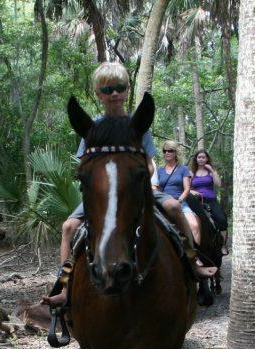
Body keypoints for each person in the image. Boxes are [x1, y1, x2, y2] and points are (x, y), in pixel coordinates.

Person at [42, 62, 216, 307]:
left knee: (176, 209)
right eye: (108, 89)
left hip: (135, 188)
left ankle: (193, 263)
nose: (114, 93)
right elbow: (87, 164)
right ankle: (65, 286)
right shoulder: (93, 127)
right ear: (98, 94)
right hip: (103, 192)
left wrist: (135, 176)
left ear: (127, 89)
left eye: (119, 87)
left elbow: (149, 163)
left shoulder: (137, 125)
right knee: (69, 227)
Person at [188, 149, 229, 253]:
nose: (201, 159)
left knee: (222, 220)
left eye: (203, 157)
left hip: (211, 200)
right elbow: (187, 187)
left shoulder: (211, 171)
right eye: (199, 157)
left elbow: (218, 184)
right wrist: (193, 192)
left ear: (207, 159)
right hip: (197, 201)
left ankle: (223, 245)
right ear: (196, 159)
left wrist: (212, 170)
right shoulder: (192, 172)